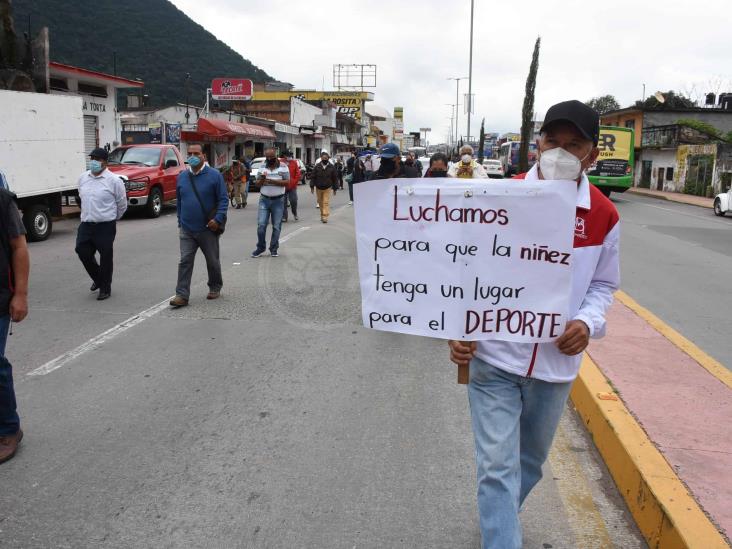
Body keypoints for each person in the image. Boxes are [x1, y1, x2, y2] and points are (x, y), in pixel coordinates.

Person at [448, 100, 619, 549]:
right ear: (537, 144)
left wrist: (587, 321)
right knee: (496, 469)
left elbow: (603, 284)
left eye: (573, 144)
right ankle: (501, 534)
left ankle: (499, 520)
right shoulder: (497, 198)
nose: (559, 152)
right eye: (552, 142)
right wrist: (457, 327)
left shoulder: (603, 215)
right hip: (494, 359)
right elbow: (464, 270)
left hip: (554, 369)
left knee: (529, 464)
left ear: (592, 154)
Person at [169, 143, 228, 308]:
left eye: (196, 153)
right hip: (187, 229)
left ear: (204, 156)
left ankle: (215, 286)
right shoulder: (182, 176)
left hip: (208, 228)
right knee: (185, 261)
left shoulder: (215, 176)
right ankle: (182, 295)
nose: (193, 157)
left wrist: (217, 219)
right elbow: (179, 201)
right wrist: (180, 221)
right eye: (190, 153)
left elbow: (223, 200)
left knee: (212, 261)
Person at [0, 185, 29, 464]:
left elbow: (19, 246)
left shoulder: (2, 199)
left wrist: (20, 294)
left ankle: (9, 428)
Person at [75, 148, 128, 301]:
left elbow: (122, 204)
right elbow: (81, 197)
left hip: (105, 225)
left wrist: (113, 218)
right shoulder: (83, 178)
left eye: (97, 159)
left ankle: (105, 288)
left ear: (105, 162)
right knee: (82, 251)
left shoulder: (114, 181)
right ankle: (98, 278)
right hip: (86, 224)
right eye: (92, 158)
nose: (94, 162)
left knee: (105, 256)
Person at [251, 147, 289, 257]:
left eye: (271, 157)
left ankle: (273, 248)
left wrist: (272, 181)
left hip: (278, 200)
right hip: (264, 200)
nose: (268, 159)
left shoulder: (283, 166)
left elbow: (287, 182)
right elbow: (257, 183)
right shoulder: (262, 166)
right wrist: (262, 180)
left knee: (276, 226)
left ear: (275, 156)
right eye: (267, 157)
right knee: (261, 225)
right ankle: (260, 247)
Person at [310, 151, 338, 223]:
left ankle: (325, 216)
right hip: (318, 187)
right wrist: (312, 186)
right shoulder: (317, 167)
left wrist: (335, 188)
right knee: (320, 202)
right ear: (321, 158)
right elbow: (313, 177)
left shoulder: (332, 167)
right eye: (323, 158)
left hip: (327, 187)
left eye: (326, 158)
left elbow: (335, 178)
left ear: (328, 158)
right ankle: (322, 215)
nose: (325, 159)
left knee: (325, 202)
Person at [280, 150, 301, 222]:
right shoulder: (280, 162)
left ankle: (295, 213)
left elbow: (298, 174)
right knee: (283, 202)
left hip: (292, 186)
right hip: (283, 186)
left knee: (293, 200)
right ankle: (284, 216)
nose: (289, 157)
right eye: (288, 156)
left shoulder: (294, 162)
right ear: (284, 156)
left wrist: (294, 182)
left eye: (290, 156)